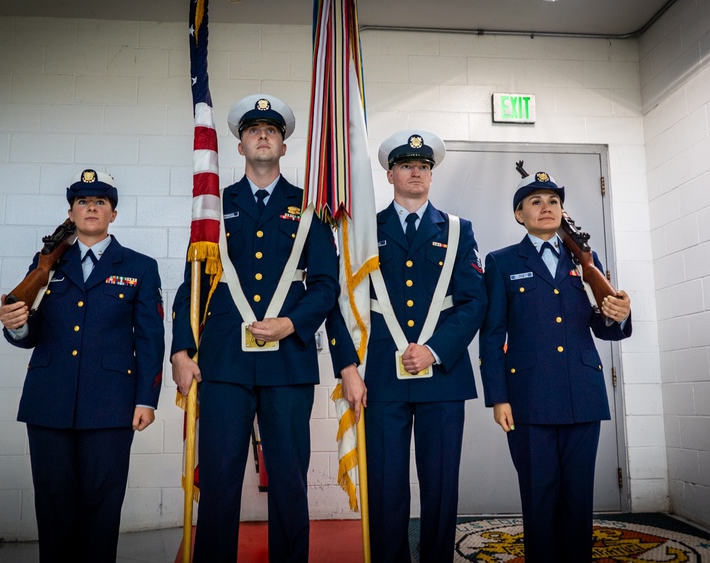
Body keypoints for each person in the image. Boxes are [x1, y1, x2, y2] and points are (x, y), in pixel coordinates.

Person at [170, 94, 340, 562]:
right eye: (253, 131)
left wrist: (292, 322)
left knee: (288, 480)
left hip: (289, 361)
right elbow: (192, 284)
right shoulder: (214, 206)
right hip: (224, 362)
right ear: (240, 145)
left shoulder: (310, 206)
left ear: (283, 147)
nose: (262, 136)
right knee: (221, 480)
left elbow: (326, 286)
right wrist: (181, 351)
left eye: (271, 131)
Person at [330, 130, 487, 562]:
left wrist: (434, 350)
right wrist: (348, 368)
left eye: (423, 166)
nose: (415, 172)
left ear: (431, 175)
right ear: (389, 174)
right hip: (381, 374)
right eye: (406, 166)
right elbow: (340, 302)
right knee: (386, 483)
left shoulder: (458, 230)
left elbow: (475, 302)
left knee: (440, 485)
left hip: (442, 375)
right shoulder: (363, 231)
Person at [0, 169, 165, 562]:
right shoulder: (46, 265)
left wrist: (147, 399)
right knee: (53, 507)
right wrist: (16, 325)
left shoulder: (140, 266)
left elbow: (150, 339)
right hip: (49, 400)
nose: (92, 208)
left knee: (101, 507)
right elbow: (26, 331)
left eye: (101, 202)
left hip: (111, 405)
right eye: (83, 202)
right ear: (70, 213)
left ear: (113, 214)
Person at [480, 171, 632, 562]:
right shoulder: (501, 262)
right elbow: (493, 334)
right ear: (519, 214)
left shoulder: (587, 261)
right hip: (529, 398)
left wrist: (619, 313)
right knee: (539, 495)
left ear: (563, 212)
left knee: (578, 498)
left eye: (553, 201)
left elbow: (607, 329)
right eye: (535, 202)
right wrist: (498, 397)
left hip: (582, 392)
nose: (546, 208)